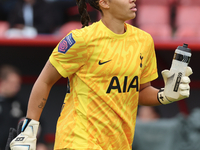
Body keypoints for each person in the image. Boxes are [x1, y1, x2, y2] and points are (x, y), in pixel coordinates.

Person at [8, 0, 193, 150]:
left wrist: (164, 95)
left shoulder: (144, 41)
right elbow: (45, 81)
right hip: (78, 140)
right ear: (104, 3)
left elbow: (139, 91)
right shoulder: (80, 40)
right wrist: (29, 128)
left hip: (119, 143)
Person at [0, 64, 25, 150]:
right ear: (2, 82)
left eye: (18, 83)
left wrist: (41, 143)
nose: (16, 87)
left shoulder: (20, 104)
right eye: (13, 83)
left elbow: (38, 123)